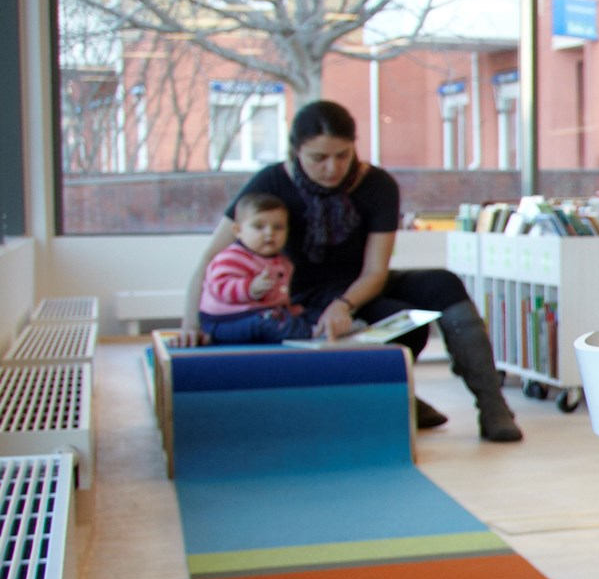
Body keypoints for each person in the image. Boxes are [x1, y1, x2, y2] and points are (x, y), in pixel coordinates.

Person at [206, 99, 521, 440]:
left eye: (343, 155)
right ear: (295, 151)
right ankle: (398, 397)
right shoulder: (270, 181)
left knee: (442, 283)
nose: (332, 168)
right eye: (319, 158)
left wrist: (344, 304)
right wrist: (194, 325)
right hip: (303, 292)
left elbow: (376, 270)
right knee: (400, 319)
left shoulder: (378, 185)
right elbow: (211, 259)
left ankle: (493, 406)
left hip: (361, 286)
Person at [196, 192, 307, 344]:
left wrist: (286, 309)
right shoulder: (231, 257)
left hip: (257, 315)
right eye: (259, 226)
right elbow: (221, 286)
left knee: (297, 315)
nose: (269, 233)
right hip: (225, 321)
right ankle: (307, 332)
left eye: (278, 227)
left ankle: (306, 328)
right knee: (269, 323)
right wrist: (250, 288)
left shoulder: (282, 262)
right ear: (238, 231)